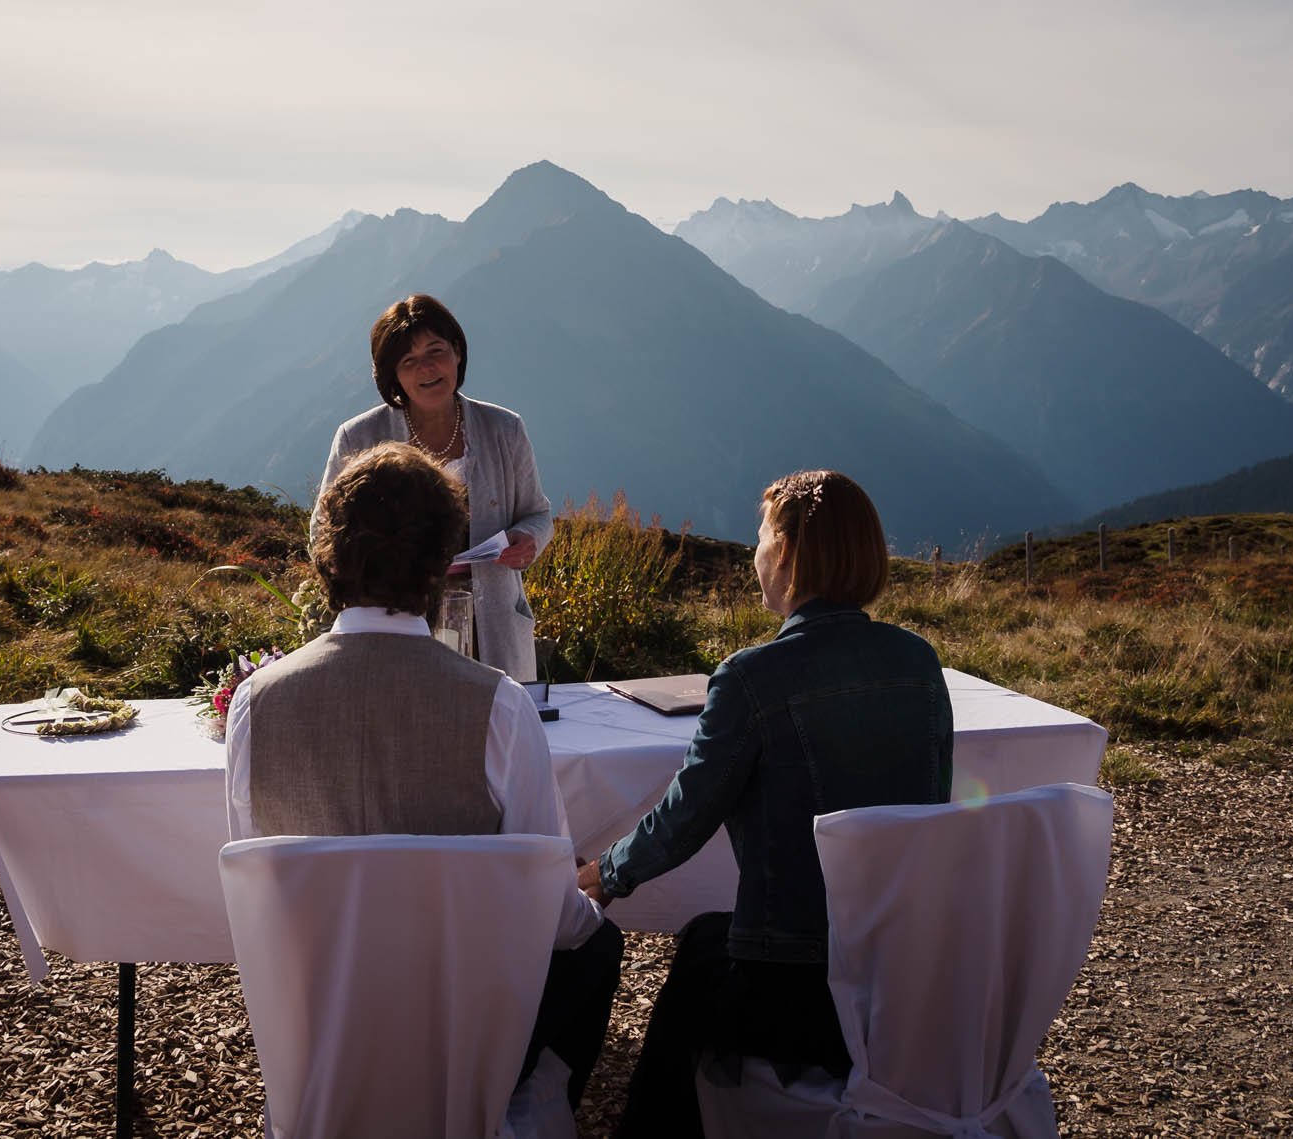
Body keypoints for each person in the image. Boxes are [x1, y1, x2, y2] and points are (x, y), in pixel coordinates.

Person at [231, 442, 622, 1107]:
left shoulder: (255, 703)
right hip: (460, 1038)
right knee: (598, 946)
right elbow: (553, 918)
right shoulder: (499, 705)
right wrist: (591, 897)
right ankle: (520, 1107)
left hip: (323, 1030)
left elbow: (260, 888)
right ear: (446, 562)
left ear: (326, 554)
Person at [578, 469, 954, 1137]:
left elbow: (683, 818)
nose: (754, 553)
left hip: (798, 989)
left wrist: (603, 874)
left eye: (760, 537)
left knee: (699, 961)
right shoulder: (920, 663)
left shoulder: (752, 676)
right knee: (704, 941)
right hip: (902, 977)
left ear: (785, 552)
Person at [313, 293, 554, 681]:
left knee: (496, 726)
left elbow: (538, 513)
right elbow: (322, 532)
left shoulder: (505, 429)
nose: (426, 368)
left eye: (435, 351)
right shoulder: (359, 436)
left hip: (492, 626)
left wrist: (527, 538)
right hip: (394, 623)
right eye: (408, 360)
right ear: (392, 374)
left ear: (457, 352)